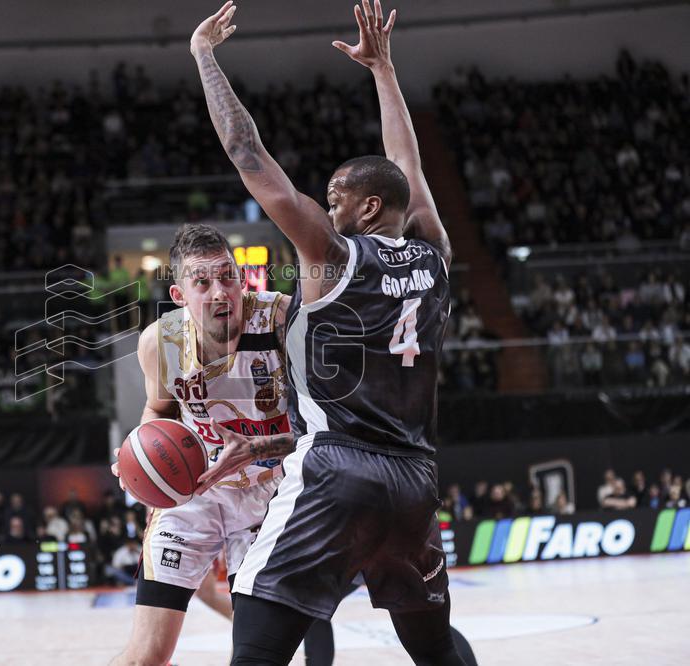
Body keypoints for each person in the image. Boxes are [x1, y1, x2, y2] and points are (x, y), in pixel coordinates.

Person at [191, 3, 466, 664]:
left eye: (338, 194)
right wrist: (383, 71)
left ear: (369, 207)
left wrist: (203, 56)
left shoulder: (332, 257)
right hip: (414, 479)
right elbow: (409, 170)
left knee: (255, 633)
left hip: (337, 471)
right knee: (434, 649)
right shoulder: (435, 252)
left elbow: (246, 151)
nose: (329, 203)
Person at [109, 224, 294, 666]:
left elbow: (324, 426)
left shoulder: (282, 320)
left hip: (266, 495)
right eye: (202, 281)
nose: (219, 291)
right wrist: (138, 453)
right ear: (179, 295)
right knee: (146, 657)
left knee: (255, 654)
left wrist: (257, 448)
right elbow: (158, 410)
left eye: (228, 275)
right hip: (193, 491)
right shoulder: (161, 341)